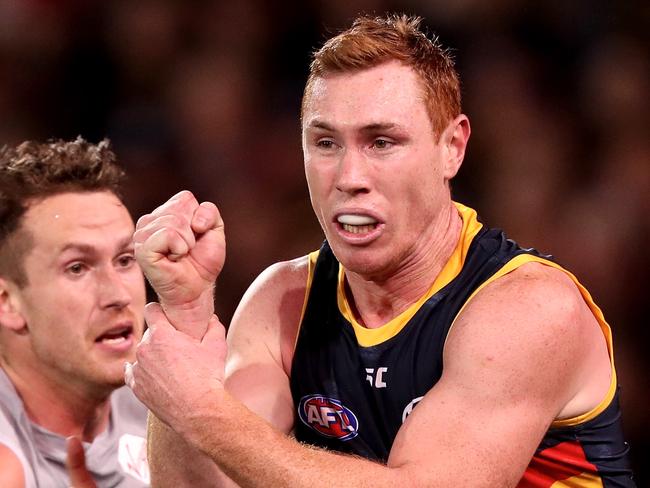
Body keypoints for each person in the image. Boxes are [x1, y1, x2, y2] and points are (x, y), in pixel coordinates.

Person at [127, 14, 636, 487]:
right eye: (326, 143)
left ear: (451, 147)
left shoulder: (529, 309)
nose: (349, 178)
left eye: (382, 142)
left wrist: (200, 410)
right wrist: (185, 318)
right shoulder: (283, 304)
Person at [0, 138, 150, 487]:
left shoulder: (169, 408)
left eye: (125, 260)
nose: (117, 295)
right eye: (77, 268)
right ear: (7, 301)